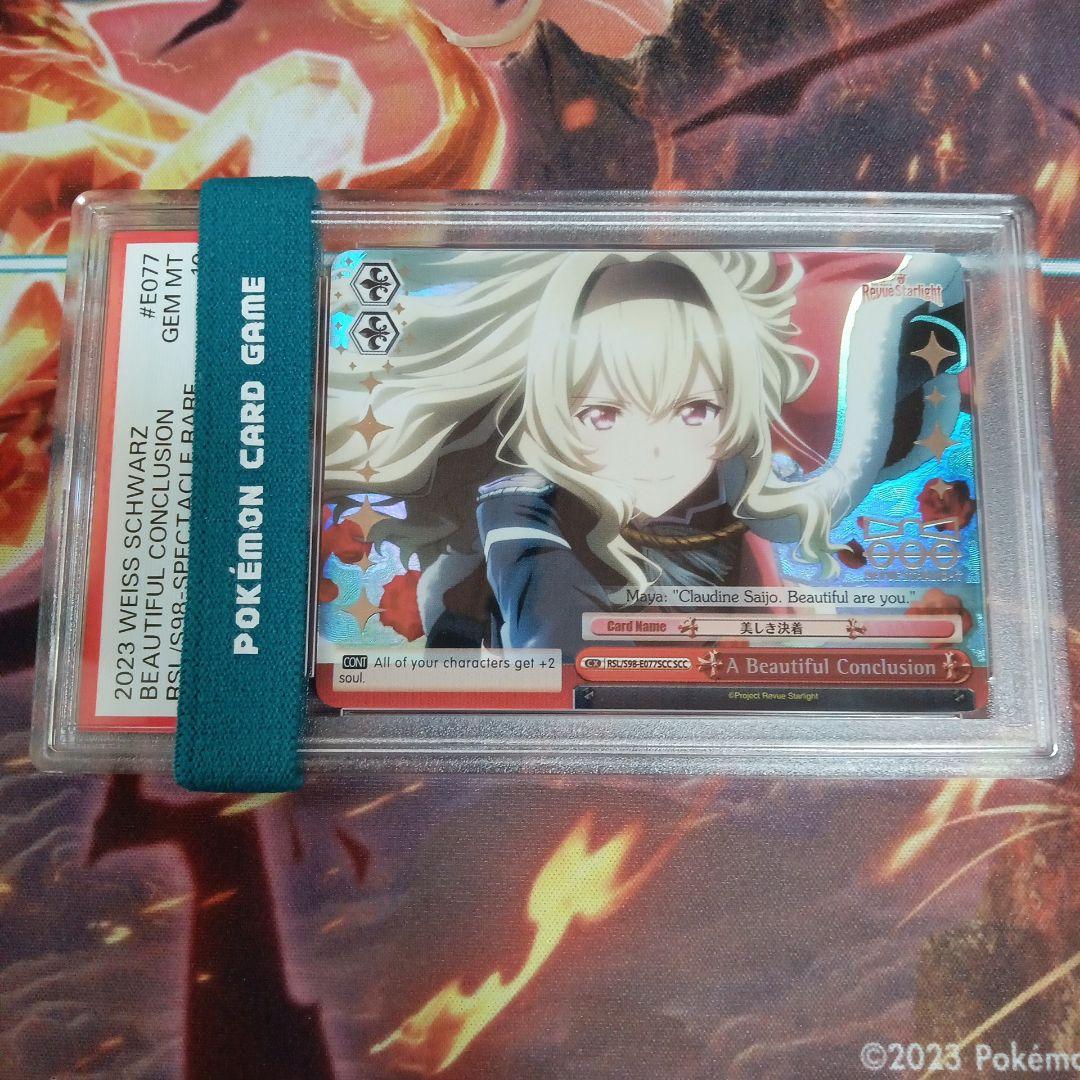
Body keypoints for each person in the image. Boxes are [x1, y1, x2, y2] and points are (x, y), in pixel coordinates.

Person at [324, 249, 965, 657]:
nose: (655, 452)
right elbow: (557, 639)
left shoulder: (734, 482)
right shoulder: (521, 506)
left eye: (696, 410)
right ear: (554, 410)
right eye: (604, 414)